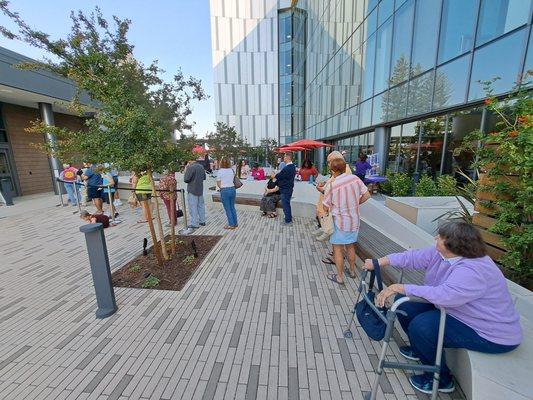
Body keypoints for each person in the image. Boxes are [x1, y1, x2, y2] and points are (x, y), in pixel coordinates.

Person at [363, 222, 522, 394]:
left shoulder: (474, 269)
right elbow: (413, 257)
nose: (435, 238)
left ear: (453, 244)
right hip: (460, 311)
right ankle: (420, 349)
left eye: (441, 236)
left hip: (489, 331)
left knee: (422, 327)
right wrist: (378, 262)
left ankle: (441, 380)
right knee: (406, 303)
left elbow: (445, 295)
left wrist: (398, 286)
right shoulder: (444, 254)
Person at [323, 158, 370, 285]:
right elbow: (367, 195)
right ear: (344, 168)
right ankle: (353, 271)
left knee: (337, 249)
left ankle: (339, 277)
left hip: (339, 222)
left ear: (332, 170)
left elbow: (325, 206)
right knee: (350, 246)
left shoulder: (332, 185)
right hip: (353, 221)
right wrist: (355, 204)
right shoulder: (355, 179)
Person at [183, 157, 207, 229]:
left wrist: (186, 169)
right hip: (200, 189)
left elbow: (186, 179)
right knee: (201, 206)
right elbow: (204, 177)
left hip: (192, 189)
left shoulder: (190, 167)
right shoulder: (201, 166)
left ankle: (194, 223)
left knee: (193, 207)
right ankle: (202, 221)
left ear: (190, 160)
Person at [274, 152, 296, 226]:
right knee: (287, 204)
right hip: (288, 189)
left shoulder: (287, 168)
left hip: (286, 189)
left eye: (284, 157)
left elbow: (279, 176)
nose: (283, 158)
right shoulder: (292, 166)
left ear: (288, 157)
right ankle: (288, 217)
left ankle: (288, 221)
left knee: (285, 204)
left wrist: (274, 175)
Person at [216, 158, 238, 229]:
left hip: (225, 190)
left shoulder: (220, 171)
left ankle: (231, 225)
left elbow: (218, 183)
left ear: (221, 163)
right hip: (232, 189)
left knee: (227, 208)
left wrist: (222, 188)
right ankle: (235, 223)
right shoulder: (231, 170)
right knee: (232, 207)